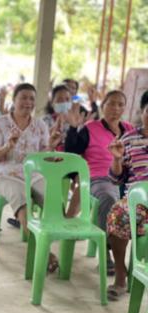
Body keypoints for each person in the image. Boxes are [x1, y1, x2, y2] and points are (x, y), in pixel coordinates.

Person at [0, 83, 62, 272]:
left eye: (31, 99)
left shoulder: (40, 125)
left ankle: (50, 240)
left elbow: (44, 155)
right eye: (24, 97)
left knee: (52, 196)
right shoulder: (0, 123)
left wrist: (51, 148)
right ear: (14, 99)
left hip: (34, 173)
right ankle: (43, 252)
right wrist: (8, 146)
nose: (28, 102)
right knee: (21, 197)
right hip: (4, 174)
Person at [65, 90, 133, 275]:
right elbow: (72, 153)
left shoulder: (129, 130)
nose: (116, 108)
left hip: (126, 180)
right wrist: (72, 129)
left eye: (120, 104)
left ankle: (135, 257)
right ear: (102, 106)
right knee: (108, 199)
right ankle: (106, 253)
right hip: (99, 178)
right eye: (111, 103)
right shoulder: (90, 128)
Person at [105, 90, 148, 300]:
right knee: (117, 214)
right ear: (142, 112)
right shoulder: (129, 139)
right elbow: (115, 180)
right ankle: (121, 275)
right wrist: (116, 160)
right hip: (137, 201)